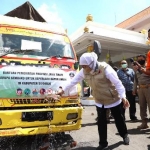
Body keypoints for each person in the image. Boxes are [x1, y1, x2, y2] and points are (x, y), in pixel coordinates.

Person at [57, 52, 130, 150]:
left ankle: (124, 135)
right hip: (99, 100)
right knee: (101, 122)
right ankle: (103, 144)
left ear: (91, 64)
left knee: (119, 119)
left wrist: (123, 97)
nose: (83, 68)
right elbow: (73, 81)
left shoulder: (106, 69)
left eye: (85, 66)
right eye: (82, 66)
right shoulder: (84, 71)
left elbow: (118, 84)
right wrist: (63, 90)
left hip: (113, 99)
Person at [132, 54, 150, 129]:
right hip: (141, 89)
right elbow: (135, 80)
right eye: (138, 59)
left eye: (141, 59)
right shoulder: (136, 69)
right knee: (142, 106)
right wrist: (134, 89)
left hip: (148, 88)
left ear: (145, 59)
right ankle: (144, 123)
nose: (139, 60)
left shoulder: (148, 67)